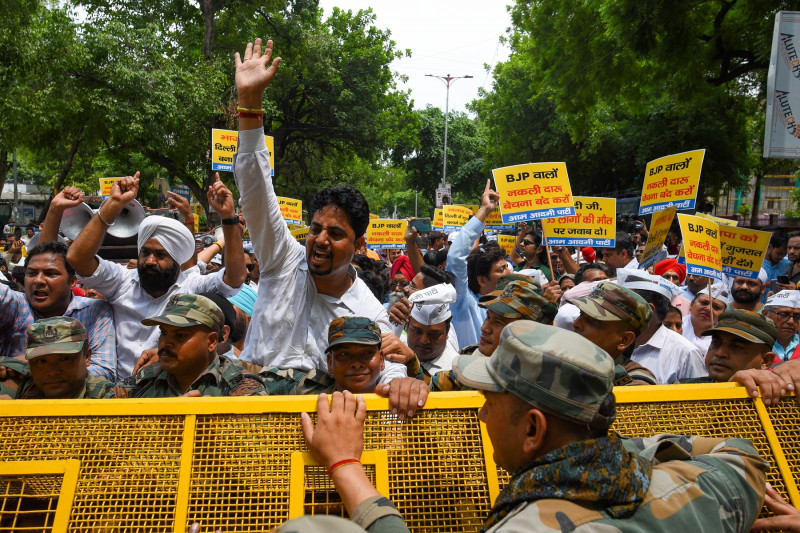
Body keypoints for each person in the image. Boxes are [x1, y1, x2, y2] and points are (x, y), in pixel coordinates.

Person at [303, 321, 769, 532]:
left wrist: (345, 464)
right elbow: (740, 451)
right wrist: (599, 449)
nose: (480, 414)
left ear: (532, 429)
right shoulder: (712, 487)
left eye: (489, 401)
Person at [230, 39, 405, 383]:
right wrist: (250, 104)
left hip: (316, 421)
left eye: (336, 233)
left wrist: (400, 382)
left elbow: (388, 363)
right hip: (248, 411)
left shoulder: (366, 311)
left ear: (359, 246)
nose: (320, 240)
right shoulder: (281, 257)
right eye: (315, 229)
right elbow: (255, 189)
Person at [66, 174, 245, 378]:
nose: (150, 261)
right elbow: (77, 258)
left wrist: (229, 218)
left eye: (160, 255)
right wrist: (114, 203)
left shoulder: (192, 288)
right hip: (114, 393)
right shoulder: (122, 281)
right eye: (145, 253)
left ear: (178, 261)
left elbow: (234, 279)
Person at [261, 316, 428, 420]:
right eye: (344, 355)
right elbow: (255, 379)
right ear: (330, 363)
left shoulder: (400, 399)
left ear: (382, 360)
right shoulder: (307, 389)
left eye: (367, 353)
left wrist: (416, 385)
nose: (356, 363)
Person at [109, 294, 266, 397]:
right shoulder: (142, 382)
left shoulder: (240, 385)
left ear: (211, 342)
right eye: (163, 332)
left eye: (180, 335)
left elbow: (254, 443)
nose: (166, 342)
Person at [0, 241, 116, 380]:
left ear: (72, 282)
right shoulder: (15, 304)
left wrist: (31, 363)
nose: (38, 280)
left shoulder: (94, 310)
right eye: (31, 273)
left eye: (50, 274)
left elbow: (104, 371)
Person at [623, 269, 707, 383]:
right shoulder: (612, 340)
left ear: (646, 310)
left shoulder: (685, 353)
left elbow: (699, 397)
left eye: (623, 304)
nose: (616, 309)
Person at [0, 317, 114, 399]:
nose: (52, 372)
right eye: (41, 361)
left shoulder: (108, 398)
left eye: (65, 359)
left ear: (87, 357)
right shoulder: (20, 388)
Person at [570, 281, 658, 385]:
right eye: (581, 314)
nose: (576, 323)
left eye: (594, 321)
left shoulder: (634, 383)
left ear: (624, 340)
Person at [682, 282, 729, 355]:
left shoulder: (724, 337)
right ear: (691, 305)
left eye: (716, 307)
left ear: (722, 314)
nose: (709, 309)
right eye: (704, 303)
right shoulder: (674, 326)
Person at [762, 290, 800, 364]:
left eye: (797, 316)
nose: (791, 321)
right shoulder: (755, 346)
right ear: (765, 314)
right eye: (783, 314)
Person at [762, 231, 791, 302]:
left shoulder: (788, 265)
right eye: (779, 253)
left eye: (784, 254)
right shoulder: (756, 262)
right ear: (770, 247)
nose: (781, 257)